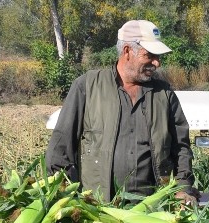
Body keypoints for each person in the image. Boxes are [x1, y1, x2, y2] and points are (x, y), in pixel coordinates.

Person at [46, 20, 196, 205]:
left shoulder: (164, 94)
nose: (156, 62)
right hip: (98, 210)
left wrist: (182, 187)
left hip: (152, 210)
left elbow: (181, 147)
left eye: (158, 56)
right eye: (149, 55)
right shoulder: (87, 86)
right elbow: (60, 148)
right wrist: (63, 196)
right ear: (127, 51)